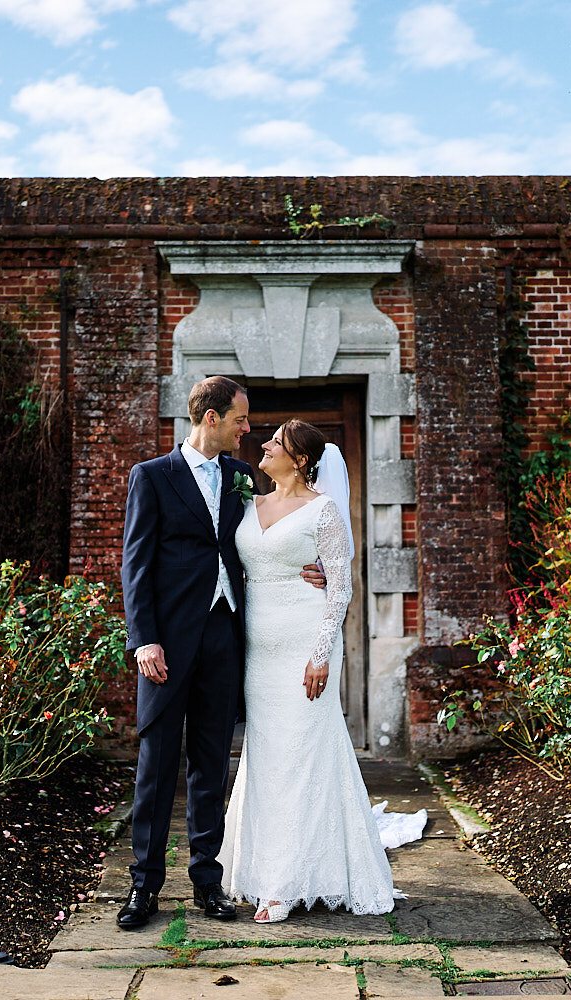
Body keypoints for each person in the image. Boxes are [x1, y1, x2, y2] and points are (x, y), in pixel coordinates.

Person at [117, 377, 323, 930]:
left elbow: (275, 532)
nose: (248, 429)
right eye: (240, 419)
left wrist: (318, 568)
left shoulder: (240, 477)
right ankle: (144, 886)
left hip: (225, 636)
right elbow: (134, 565)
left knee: (212, 764)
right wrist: (144, 639)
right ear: (212, 418)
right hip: (166, 642)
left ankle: (208, 880)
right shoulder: (152, 477)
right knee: (157, 766)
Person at [217, 419, 395, 923]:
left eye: (276, 444)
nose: (264, 446)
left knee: (300, 757)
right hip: (257, 650)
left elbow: (339, 586)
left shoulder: (324, 510)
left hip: (304, 645)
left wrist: (321, 652)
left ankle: (281, 884)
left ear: (299, 460)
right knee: (267, 756)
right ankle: (254, 867)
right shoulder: (247, 504)